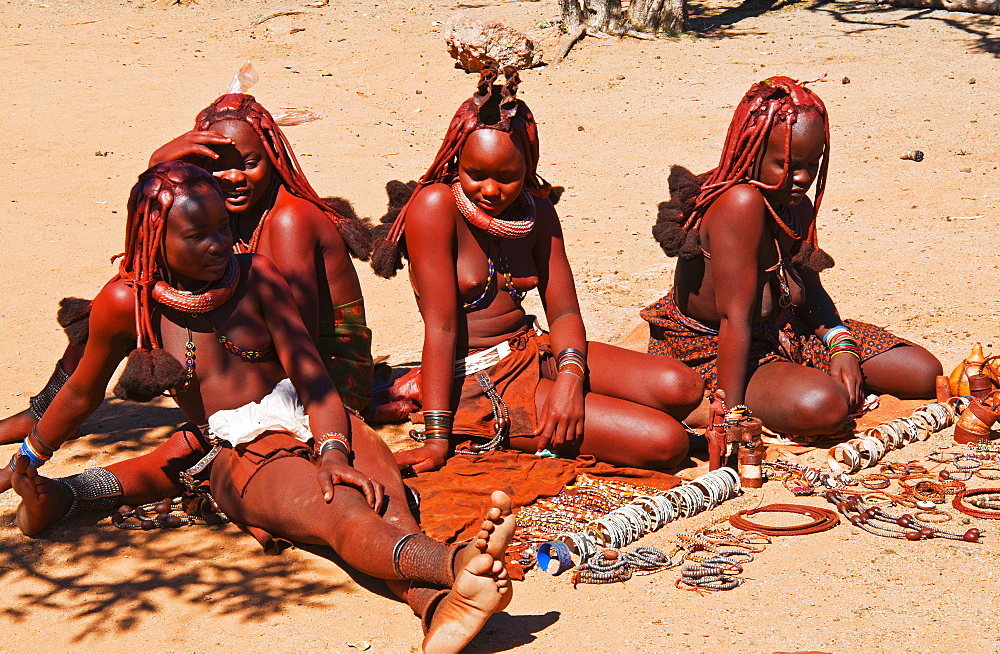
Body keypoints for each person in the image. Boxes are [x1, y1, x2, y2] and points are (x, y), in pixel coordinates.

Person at [9, 162, 515, 653]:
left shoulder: (257, 274)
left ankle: (436, 606)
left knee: (388, 503)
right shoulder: (128, 303)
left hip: (319, 418)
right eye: (197, 235)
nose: (219, 244)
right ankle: (457, 564)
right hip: (240, 453)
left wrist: (335, 450)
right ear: (154, 240)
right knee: (341, 513)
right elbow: (80, 393)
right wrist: (27, 460)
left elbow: (312, 377)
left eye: (223, 228)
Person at [0, 93, 381, 495]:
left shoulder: (287, 220)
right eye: (218, 169)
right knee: (127, 298)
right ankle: (45, 418)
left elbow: (295, 350)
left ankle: (66, 488)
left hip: (321, 382)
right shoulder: (227, 215)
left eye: (250, 164)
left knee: (185, 447)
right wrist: (159, 163)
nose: (235, 177)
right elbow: (159, 212)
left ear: (273, 159)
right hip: (269, 376)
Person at [370, 63, 704, 474]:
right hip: (477, 378)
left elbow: (563, 311)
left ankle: (564, 402)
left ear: (527, 167)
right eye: (475, 174)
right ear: (456, 160)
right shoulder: (435, 208)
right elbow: (441, 328)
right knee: (665, 441)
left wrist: (568, 380)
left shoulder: (536, 208)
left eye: (506, 177)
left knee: (684, 385)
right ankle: (438, 395)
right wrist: (439, 438)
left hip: (532, 349)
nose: (489, 190)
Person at [642, 76, 942, 439]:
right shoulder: (740, 204)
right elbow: (733, 318)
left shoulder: (791, 203)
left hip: (786, 331)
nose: (802, 178)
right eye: (786, 164)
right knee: (824, 405)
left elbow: (810, 291)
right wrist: (729, 418)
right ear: (752, 154)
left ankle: (803, 377)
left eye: (812, 165)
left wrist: (840, 344)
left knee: (924, 372)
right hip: (718, 352)